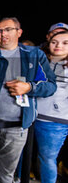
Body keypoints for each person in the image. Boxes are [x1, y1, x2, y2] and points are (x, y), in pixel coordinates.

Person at [0, 17, 57, 183]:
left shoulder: (33, 54)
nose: (3, 34)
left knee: (6, 175)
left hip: (17, 127)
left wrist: (29, 87)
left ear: (19, 32)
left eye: (8, 29)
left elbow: (51, 85)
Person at [35, 31, 68, 183]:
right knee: (23, 154)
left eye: (65, 43)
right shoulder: (40, 62)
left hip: (55, 122)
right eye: (54, 42)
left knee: (47, 159)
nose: (58, 46)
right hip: (30, 117)